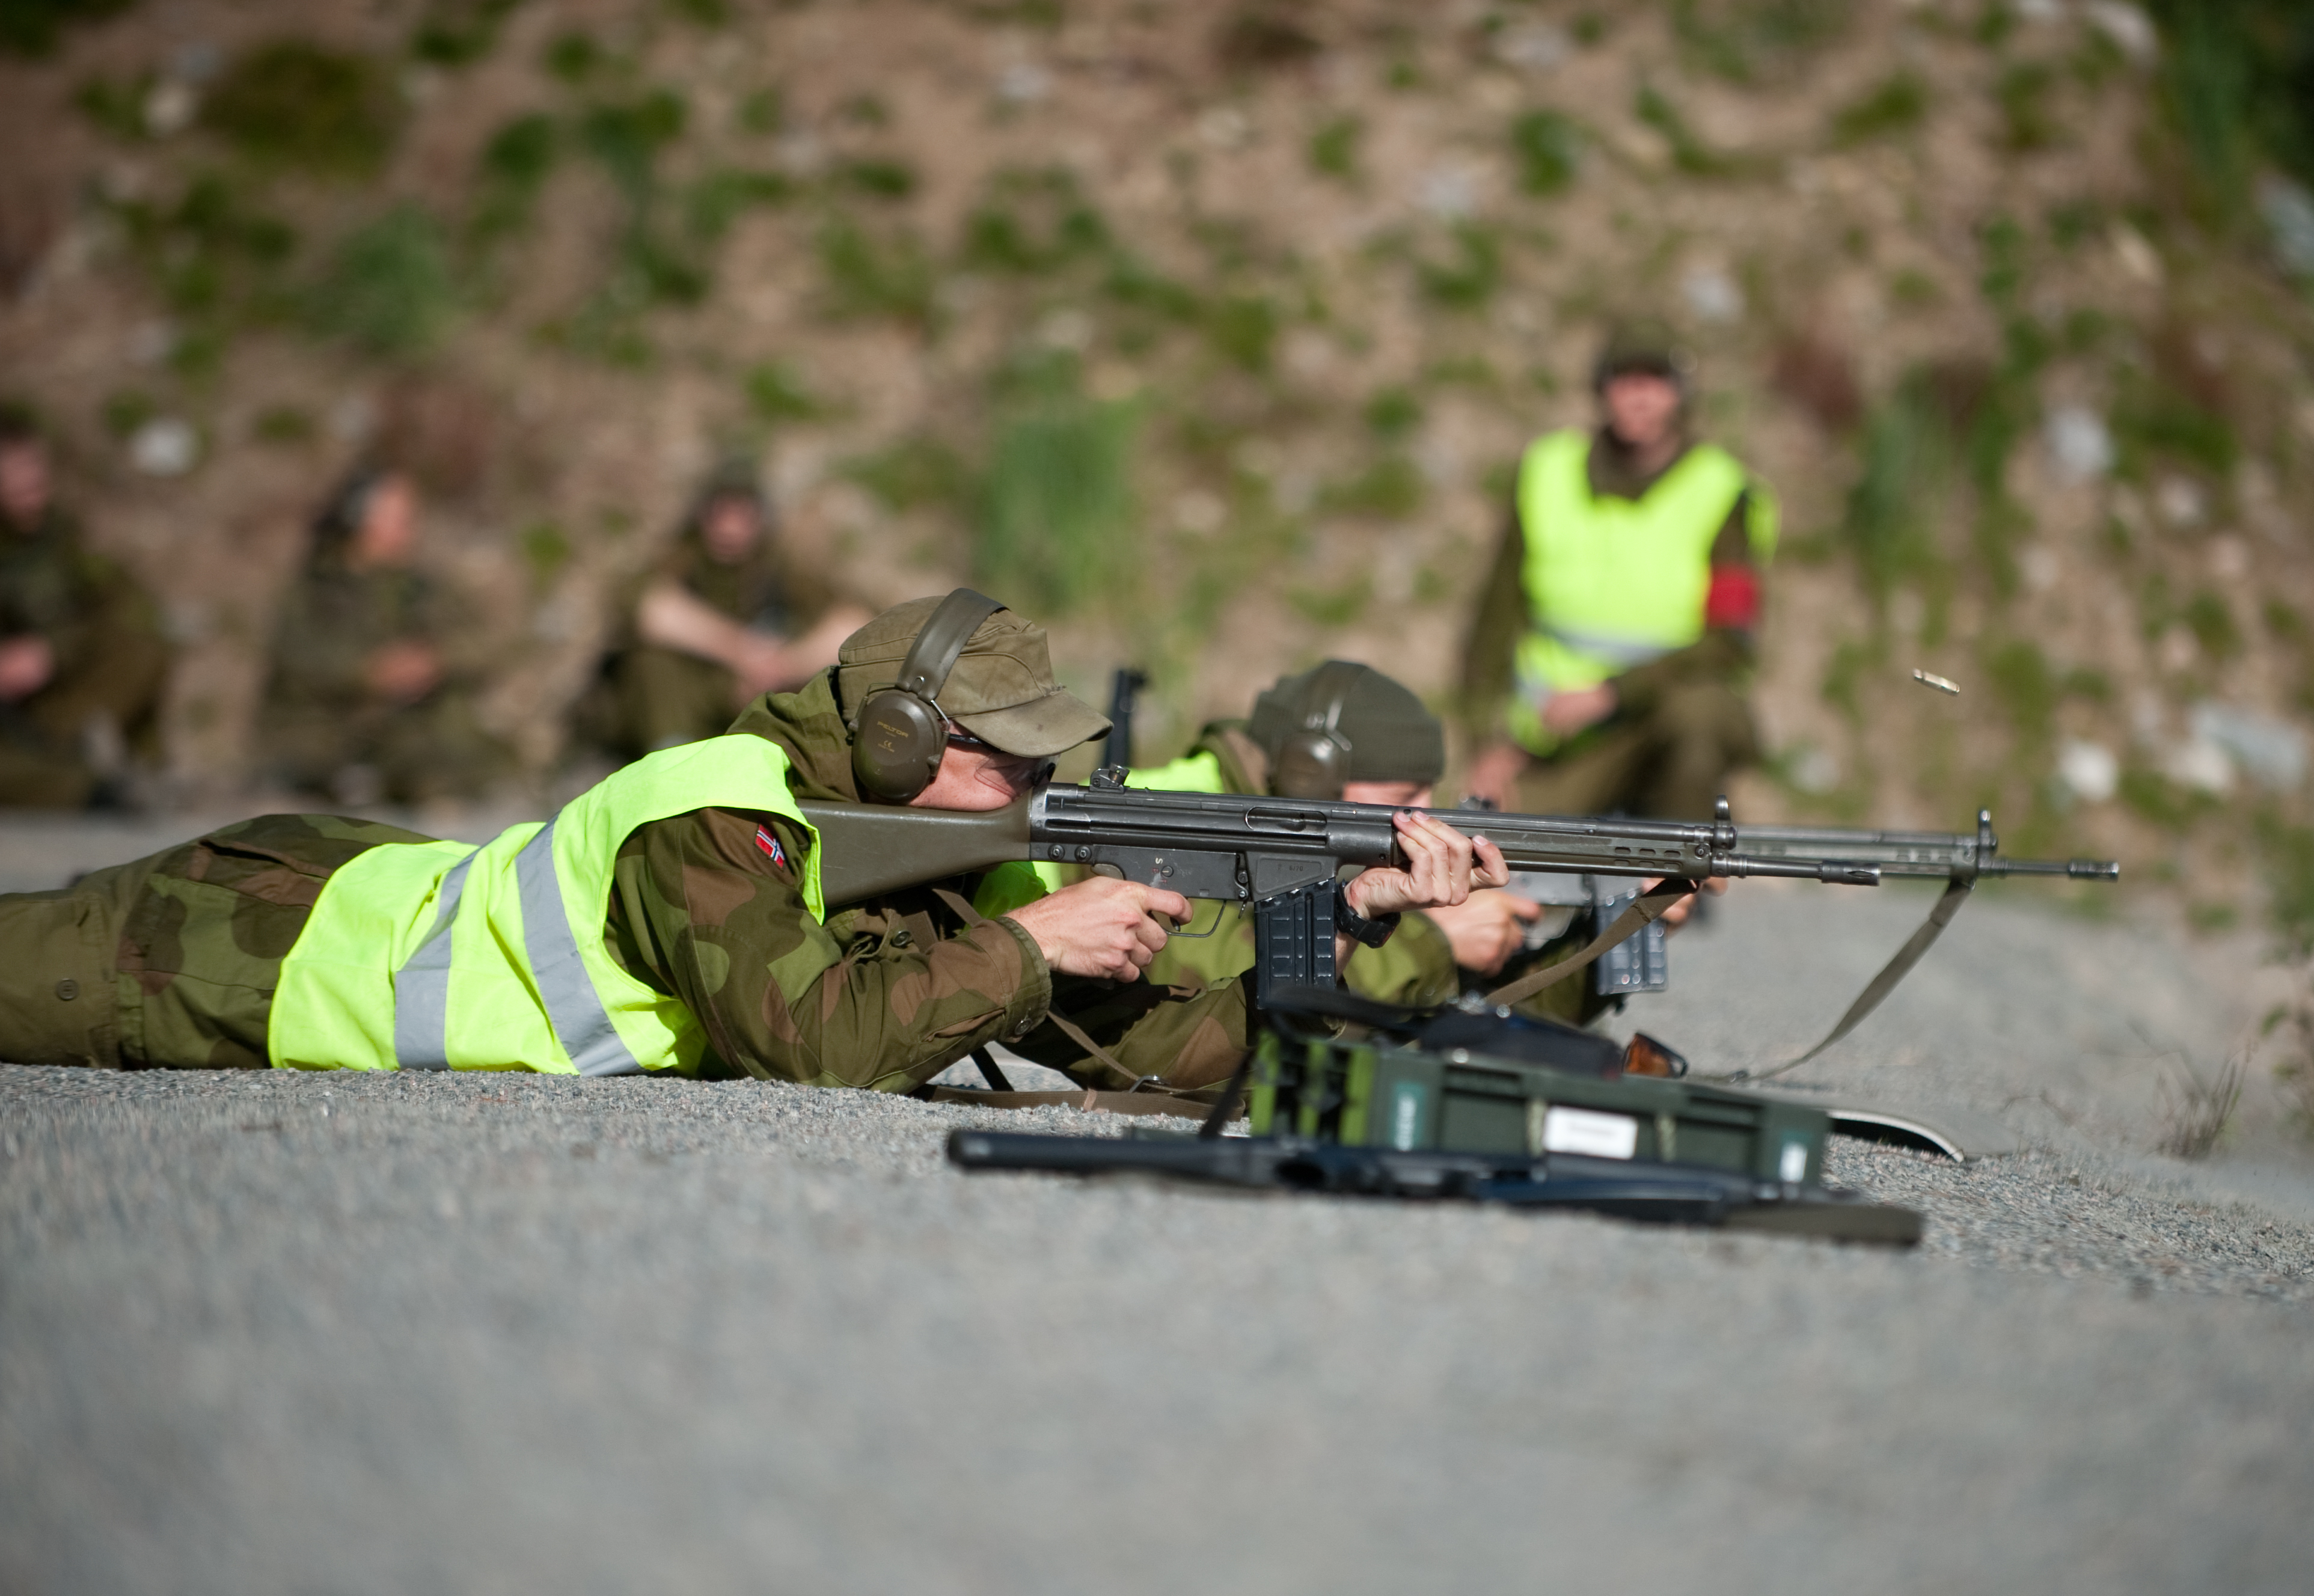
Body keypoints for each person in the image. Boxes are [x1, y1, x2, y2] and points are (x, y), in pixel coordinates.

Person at [0, 593, 1507, 1095]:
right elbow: (824, 1043)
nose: (1035, 794)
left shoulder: (945, 841)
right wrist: (1029, 944)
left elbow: (1164, 1056)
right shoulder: (710, 812)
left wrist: (1362, 913)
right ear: (909, 745)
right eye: (1012, 763)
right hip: (235, 947)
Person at [977, 659, 1695, 1026]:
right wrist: (1427, 940)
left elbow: (1463, 1029)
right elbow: (1222, 983)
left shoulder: (1284, 817)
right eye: (1402, 802)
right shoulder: (1183, 809)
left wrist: (1619, 925)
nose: (1425, 819)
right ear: (1311, 773)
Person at [1461, 320, 1777, 821]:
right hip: (1556, 737)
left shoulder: (1720, 491)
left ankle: (1681, 881)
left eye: (1654, 382)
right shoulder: (1548, 471)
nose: (1640, 398)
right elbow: (1495, 618)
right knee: (1480, 853)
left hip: (1661, 722)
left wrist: (1611, 694)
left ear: (1680, 394)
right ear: (1601, 389)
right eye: (1625, 380)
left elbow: (1729, 642)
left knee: (1701, 718)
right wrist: (1484, 744)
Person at [262, 467, 514, 806]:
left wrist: (432, 661)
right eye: (397, 518)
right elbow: (298, 657)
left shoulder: (419, 588)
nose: (408, 530)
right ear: (359, 520)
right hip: (328, 732)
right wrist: (369, 672)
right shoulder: (318, 588)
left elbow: (483, 645)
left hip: (403, 733)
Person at [581, 465, 867, 759]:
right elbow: (650, 608)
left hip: (762, 693)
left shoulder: (779, 569)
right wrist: (741, 651)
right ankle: (672, 763)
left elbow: (853, 622)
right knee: (651, 662)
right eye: (722, 513)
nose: (731, 526)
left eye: (742, 514)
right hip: (692, 697)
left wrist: (784, 665)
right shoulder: (684, 560)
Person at [0, 405, 168, 809]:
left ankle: (131, 765)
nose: (33, 484)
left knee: (140, 639)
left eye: (37, 470)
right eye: (16, 473)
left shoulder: (58, 539)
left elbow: (117, 604)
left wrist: (51, 649)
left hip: (49, 701)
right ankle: (85, 785)